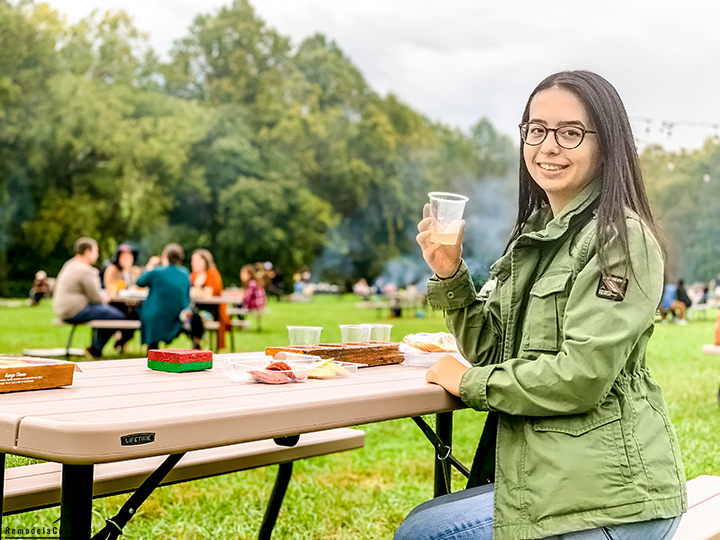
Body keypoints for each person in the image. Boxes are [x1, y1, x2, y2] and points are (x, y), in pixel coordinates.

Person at [400, 71, 685, 540]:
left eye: (570, 132)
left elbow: (582, 376)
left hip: (614, 498)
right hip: (555, 476)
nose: (548, 146)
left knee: (425, 533)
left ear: (606, 144)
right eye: (536, 129)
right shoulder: (538, 236)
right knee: (422, 521)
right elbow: (495, 352)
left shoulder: (619, 238)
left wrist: (468, 382)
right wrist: (451, 274)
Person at [53, 237, 129, 358]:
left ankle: (95, 348)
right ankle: (95, 349)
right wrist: (104, 298)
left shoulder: (70, 264)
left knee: (104, 312)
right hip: (75, 310)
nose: (97, 255)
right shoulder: (85, 269)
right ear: (87, 252)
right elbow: (95, 297)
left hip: (64, 309)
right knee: (117, 316)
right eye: (96, 251)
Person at [137, 244, 204, 350]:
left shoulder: (156, 271)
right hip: (178, 315)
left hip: (157, 316)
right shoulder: (185, 272)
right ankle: (196, 345)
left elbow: (139, 282)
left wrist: (149, 266)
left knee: (146, 311)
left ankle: (152, 349)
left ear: (166, 255)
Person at [190, 249, 230, 350]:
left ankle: (197, 344)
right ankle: (196, 343)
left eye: (197, 260)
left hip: (211, 310)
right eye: (193, 261)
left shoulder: (212, 273)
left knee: (195, 316)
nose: (194, 263)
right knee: (191, 314)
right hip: (195, 308)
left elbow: (211, 293)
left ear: (205, 261)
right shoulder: (193, 276)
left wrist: (198, 288)